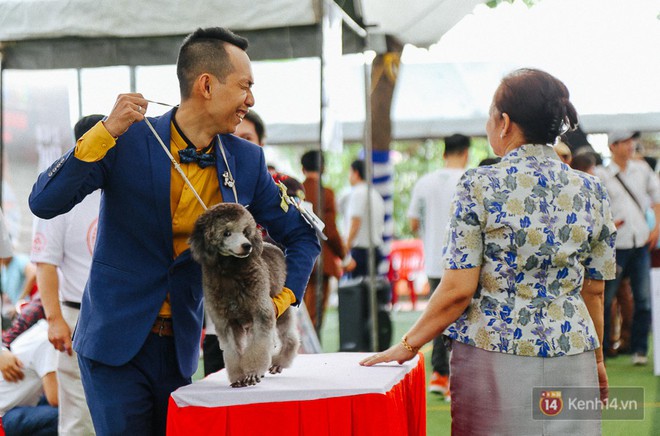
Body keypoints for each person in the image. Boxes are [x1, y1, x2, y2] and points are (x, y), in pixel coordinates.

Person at [29, 27, 320, 435]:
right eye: (244, 86)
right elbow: (43, 201)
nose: (250, 100)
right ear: (205, 84)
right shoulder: (125, 138)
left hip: (182, 346)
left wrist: (280, 300)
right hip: (113, 345)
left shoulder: (247, 161)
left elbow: (304, 235)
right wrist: (104, 131)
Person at [361, 68, 616, 435]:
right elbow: (595, 288)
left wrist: (407, 344)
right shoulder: (592, 190)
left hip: (494, 355)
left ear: (505, 122)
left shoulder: (480, 184)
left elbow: (457, 290)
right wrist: (597, 358)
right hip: (573, 352)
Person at [30, 114, 104, 435]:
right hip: (76, 316)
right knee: (79, 416)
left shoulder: (125, 184)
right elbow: (45, 263)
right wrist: (54, 318)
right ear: (81, 145)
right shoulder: (60, 193)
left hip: (123, 314)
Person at [406, 133, 471, 400]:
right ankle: (458, 377)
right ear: (466, 153)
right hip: (465, 262)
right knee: (464, 318)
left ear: (444, 153)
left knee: (437, 317)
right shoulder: (472, 179)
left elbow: (411, 223)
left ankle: (439, 374)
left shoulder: (425, 182)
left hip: (434, 259)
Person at [596, 130, 660, 366]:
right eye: (624, 142)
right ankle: (601, 351)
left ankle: (639, 348)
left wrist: (656, 228)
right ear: (612, 146)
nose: (630, 145)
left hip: (641, 243)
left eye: (631, 141)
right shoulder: (602, 174)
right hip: (615, 245)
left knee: (642, 299)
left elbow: (657, 198)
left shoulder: (642, 170)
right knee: (606, 299)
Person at [300, 150, 348, 334]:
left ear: (303, 169)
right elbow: (330, 230)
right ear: (323, 168)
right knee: (314, 318)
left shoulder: (295, 191)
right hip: (322, 261)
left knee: (300, 314)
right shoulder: (326, 193)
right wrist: (344, 257)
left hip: (299, 258)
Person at [0, 319, 58, 436]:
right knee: (67, 416)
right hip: (3, 418)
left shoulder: (38, 329)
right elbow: (55, 398)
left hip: (13, 409)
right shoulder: (47, 341)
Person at [344, 160, 385, 278]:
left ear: (356, 173)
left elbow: (355, 222)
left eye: (350, 172)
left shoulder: (358, 193)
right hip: (375, 249)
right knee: (370, 292)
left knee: (358, 292)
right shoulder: (375, 194)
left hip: (361, 252)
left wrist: (346, 247)